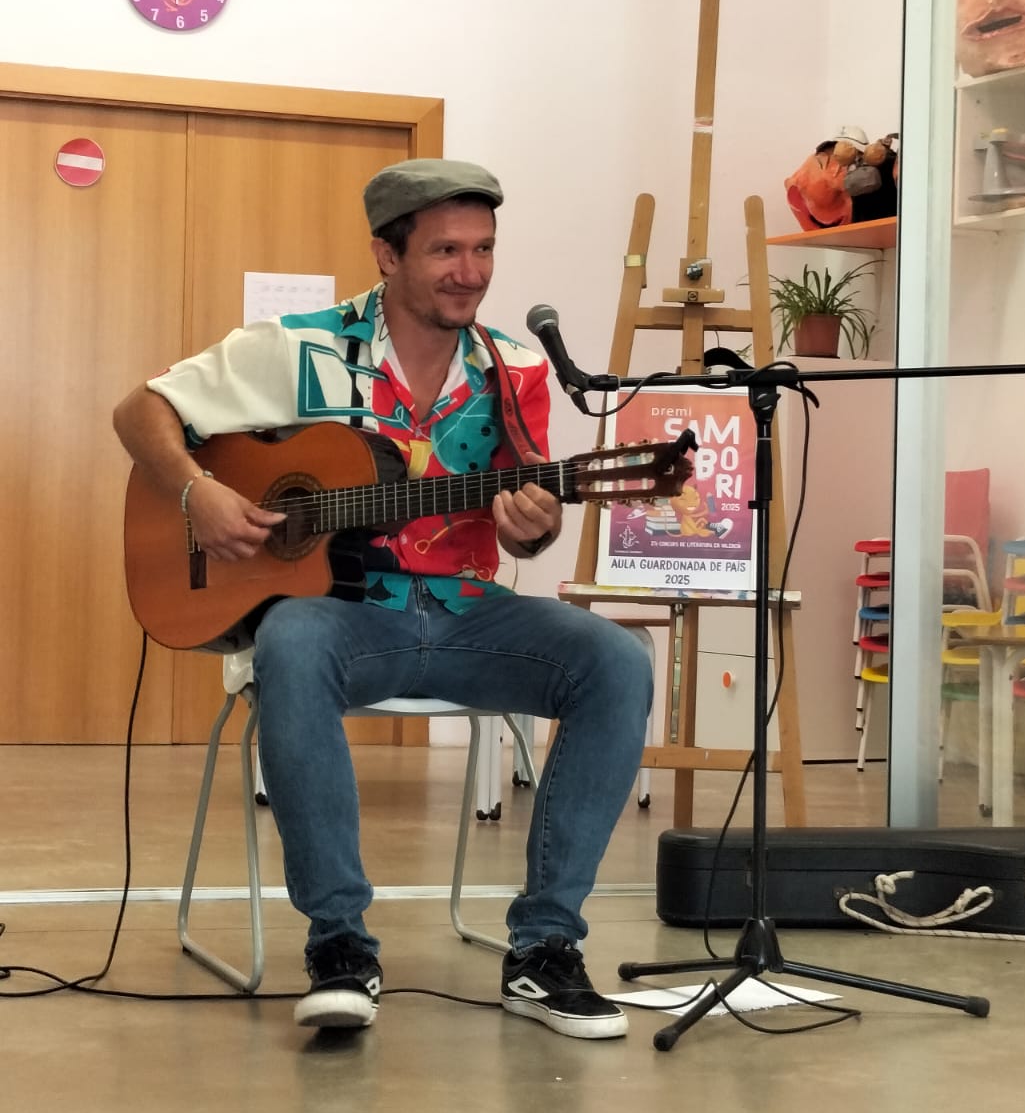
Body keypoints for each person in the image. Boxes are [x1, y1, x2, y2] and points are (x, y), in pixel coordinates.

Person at [113, 159, 654, 1041]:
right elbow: (139, 414)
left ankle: (547, 946)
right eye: (446, 251)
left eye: (484, 249)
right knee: (291, 639)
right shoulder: (299, 346)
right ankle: (339, 945)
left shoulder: (514, 366)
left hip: (470, 615)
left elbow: (528, 522)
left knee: (618, 660)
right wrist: (195, 491)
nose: (471, 272)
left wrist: (533, 527)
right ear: (387, 254)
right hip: (345, 620)